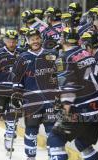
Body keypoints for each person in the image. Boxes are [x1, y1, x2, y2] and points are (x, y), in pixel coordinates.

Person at [48, 27, 98, 160]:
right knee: (82, 143)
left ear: (62, 39)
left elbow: (69, 87)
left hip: (82, 110)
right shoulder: (86, 53)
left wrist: (65, 110)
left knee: (55, 139)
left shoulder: (64, 58)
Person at [12, 28, 58, 160]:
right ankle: (30, 157)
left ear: (41, 39)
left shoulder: (52, 55)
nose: (35, 41)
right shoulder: (22, 58)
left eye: (37, 38)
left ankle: (53, 156)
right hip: (31, 101)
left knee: (52, 131)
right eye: (32, 39)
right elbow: (17, 80)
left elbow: (61, 76)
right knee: (31, 130)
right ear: (27, 41)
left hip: (50, 100)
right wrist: (16, 95)